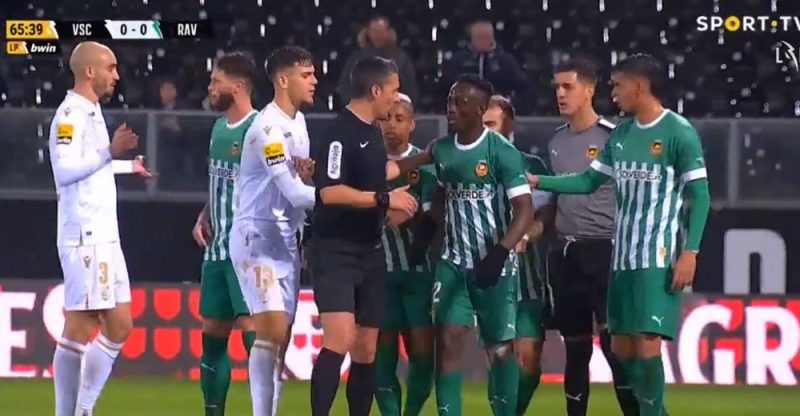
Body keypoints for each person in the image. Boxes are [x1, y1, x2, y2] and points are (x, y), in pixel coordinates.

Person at [530, 53, 711, 416]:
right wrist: (537, 180)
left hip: (656, 258)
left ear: (639, 86)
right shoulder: (623, 134)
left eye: (618, 86)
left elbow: (700, 195)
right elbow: (588, 180)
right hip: (621, 259)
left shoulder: (678, 131)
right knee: (623, 350)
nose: (612, 93)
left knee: (645, 346)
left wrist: (690, 251)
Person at [308, 56, 428, 416]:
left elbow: (382, 170)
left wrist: (424, 157)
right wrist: (384, 199)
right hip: (335, 251)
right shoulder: (339, 133)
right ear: (375, 90)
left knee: (366, 349)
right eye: (393, 90)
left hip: (370, 250)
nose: (396, 98)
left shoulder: (372, 132)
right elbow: (329, 191)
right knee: (340, 338)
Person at [49, 41, 154, 416]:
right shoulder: (69, 116)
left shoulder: (92, 111)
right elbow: (64, 171)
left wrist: (126, 166)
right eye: (110, 67)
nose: (117, 75)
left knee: (121, 324)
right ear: (89, 71)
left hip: (106, 236)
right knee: (79, 326)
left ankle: (83, 408)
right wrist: (110, 151)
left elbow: (91, 166)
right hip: (85, 235)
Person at [424, 74, 533, 416]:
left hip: (494, 265)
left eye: (460, 102)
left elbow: (524, 209)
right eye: (450, 100)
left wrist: (500, 252)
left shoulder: (502, 152)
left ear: (480, 109)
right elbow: (440, 193)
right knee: (447, 342)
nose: (451, 108)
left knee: (500, 350)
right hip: (454, 263)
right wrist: (430, 231)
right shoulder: (442, 149)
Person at [228, 46, 318, 416]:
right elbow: (295, 193)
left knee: (281, 338)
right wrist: (349, 199)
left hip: (286, 241)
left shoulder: (299, 123)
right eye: (306, 75)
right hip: (256, 238)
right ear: (283, 80)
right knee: (271, 331)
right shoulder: (268, 128)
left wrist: (309, 181)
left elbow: (297, 188)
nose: (314, 81)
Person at [545, 58, 638, 416]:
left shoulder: (613, 137)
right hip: (567, 254)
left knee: (615, 348)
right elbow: (556, 199)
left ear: (589, 90)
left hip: (605, 251)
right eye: (556, 87)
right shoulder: (555, 141)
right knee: (576, 349)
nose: (560, 93)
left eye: (568, 86)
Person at [190, 51, 259, 416]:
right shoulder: (218, 128)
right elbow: (223, 184)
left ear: (239, 86)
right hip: (215, 250)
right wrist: (205, 213)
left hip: (246, 251)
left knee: (253, 336)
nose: (210, 87)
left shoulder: (258, 129)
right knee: (213, 337)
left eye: (216, 81)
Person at [482, 94, 551, 415]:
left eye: (491, 124)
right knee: (500, 361)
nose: (486, 131)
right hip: (489, 279)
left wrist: (526, 235)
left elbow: (547, 213)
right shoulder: (468, 165)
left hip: (527, 278)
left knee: (530, 362)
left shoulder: (532, 166)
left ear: (509, 125)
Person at [374, 93, 436, 416]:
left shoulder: (425, 164)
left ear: (412, 124)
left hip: (419, 273)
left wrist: (411, 213)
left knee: (423, 354)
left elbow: (434, 213)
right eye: (386, 118)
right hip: (377, 273)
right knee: (381, 356)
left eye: (399, 119)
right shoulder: (368, 162)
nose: (391, 125)